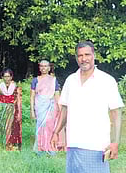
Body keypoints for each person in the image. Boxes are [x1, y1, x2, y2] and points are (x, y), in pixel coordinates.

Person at [51, 41, 124, 173]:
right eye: (80, 55)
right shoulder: (70, 80)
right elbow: (65, 110)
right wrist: (56, 132)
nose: (84, 59)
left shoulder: (106, 81)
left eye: (87, 54)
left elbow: (116, 113)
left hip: (97, 147)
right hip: (73, 145)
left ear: (94, 55)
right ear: (76, 58)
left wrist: (115, 142)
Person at [31, 60, 65, 154]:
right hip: (40, 108)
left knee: (50, 126)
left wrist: (61, 109)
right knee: (40, 127)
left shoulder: (53, 80)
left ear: (49, 68)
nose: (43, 68)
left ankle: (50, 148)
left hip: (51, 108)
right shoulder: (35, 80)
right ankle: (40, 147)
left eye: (45, 66)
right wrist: (32, 111)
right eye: (41, 66)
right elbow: (32, 96)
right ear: (39, 68)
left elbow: (57, 96)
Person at [0, 68, 22, 151]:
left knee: (10, 126)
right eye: (5, 76)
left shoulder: (15, 86)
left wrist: (19, 112)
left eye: (8, 76)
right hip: (2, 108)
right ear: (2, 77)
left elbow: (18, 100)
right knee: (3, 126)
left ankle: (9, 144)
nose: (7, 78)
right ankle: (4, 143)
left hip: (11, 109)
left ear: (11, 77)